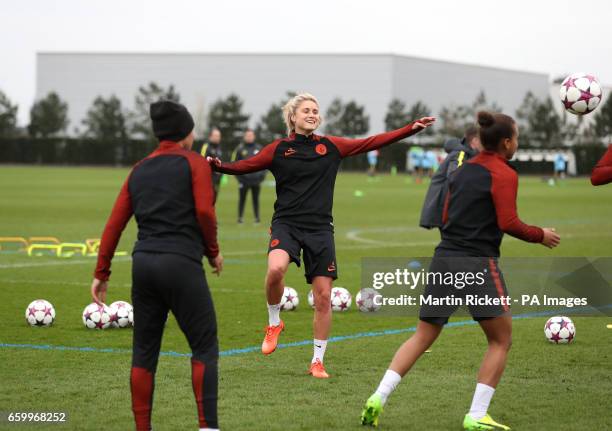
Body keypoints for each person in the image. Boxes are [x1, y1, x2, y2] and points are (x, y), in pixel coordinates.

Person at [207, 93, 435, 378]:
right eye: (306, 111)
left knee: (324, 296)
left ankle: (317, 361)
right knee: (276, 269)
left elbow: (371, 142)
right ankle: (274, 322)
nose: (312, 114)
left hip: (320, 229)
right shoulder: (279, 149)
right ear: (293, 117)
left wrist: (410, 128)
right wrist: (219, 167)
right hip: (286, 225)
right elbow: (246, 165)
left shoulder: (331, 146)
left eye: (316, 111)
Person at [361, 111, 560, 430]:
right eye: (517, 138)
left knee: (423, 335)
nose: (517, 143)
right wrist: (541, 235)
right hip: (478, 263)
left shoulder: (462, 170)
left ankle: (378, 397)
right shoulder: (505, 173)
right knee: (500, 340)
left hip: (444, 258)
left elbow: (444, 212)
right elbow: (508, 222)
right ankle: (477, 415)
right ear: (507, 142)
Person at [91, 100, 224, 431]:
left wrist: (101, 273)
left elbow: (114, 224)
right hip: (181, 264)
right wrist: (213, 252)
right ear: (186, 132)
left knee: (144, 353)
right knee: (204, 346)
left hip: (144, 265)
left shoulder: (139, 168)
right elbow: (205, 213)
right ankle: (208, 427)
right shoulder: (195, 164)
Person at [420, 126, 482, 230]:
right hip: (449, 210)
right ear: (475, 140)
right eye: (483, 140)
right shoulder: (461, 154)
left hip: (453, 209)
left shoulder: (468, 153)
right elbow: (454, 178)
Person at [233, 129, 266, 224]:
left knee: (256, 199)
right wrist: (239, 179)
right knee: (242, 199)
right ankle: (240, 218)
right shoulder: (239, 149)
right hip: (244, 181)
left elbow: (265, 163)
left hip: (256, 180)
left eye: (251, 135)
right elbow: (234, 164)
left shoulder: (259, 148)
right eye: (247, 135)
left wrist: (261, 177)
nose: (249, 137)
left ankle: (257, 218)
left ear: (254, 136)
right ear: (244, 137)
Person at [200, 127, 223, 203]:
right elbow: (202, 162)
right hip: (208, 179)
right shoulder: (206, 146)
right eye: (215, 136)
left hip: (217, 180)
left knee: (214, 201)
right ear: (210, 137)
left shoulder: (219, 148)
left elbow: (221, 163)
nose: (217, 138)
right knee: (206, 201)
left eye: (218, 136)